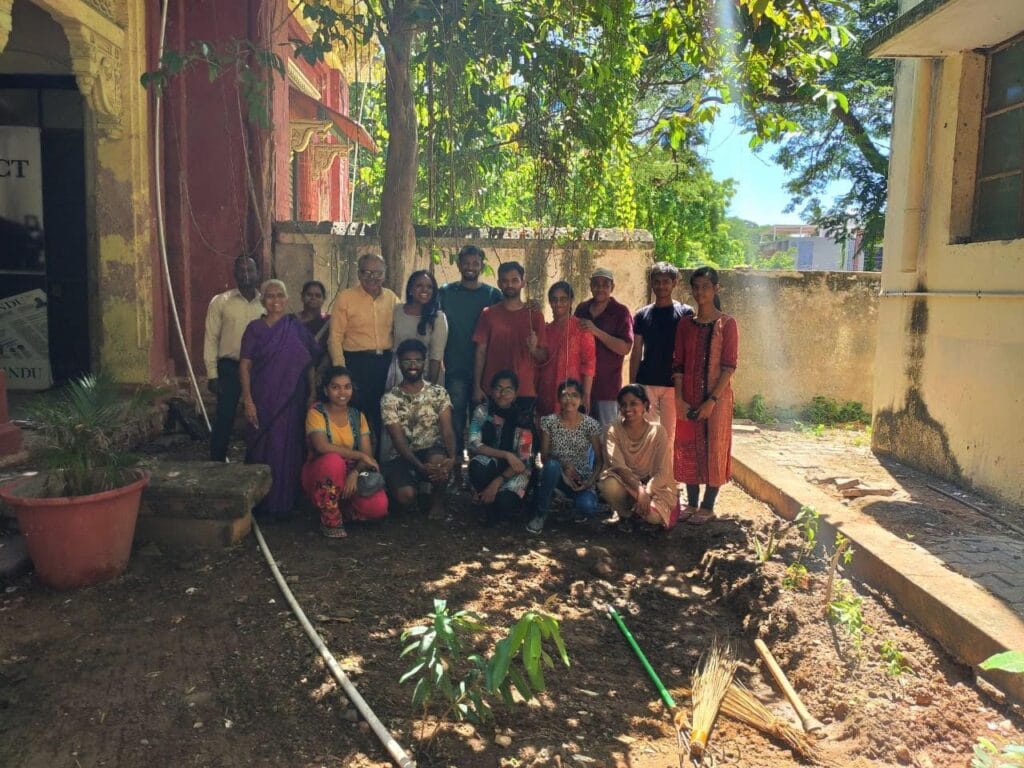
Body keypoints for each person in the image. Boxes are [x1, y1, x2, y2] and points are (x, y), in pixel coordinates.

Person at [239, 279, 319, 521]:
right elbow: (244, 366)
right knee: (263, 446)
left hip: (292, 399)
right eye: (270, 296)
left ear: (287, 299)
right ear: (263, 301)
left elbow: (309, 364)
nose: (275, 300)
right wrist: (248, 400)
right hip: (263, 398)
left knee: (289, 448)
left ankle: (285, 502)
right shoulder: (254, 329)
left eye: (280, 295)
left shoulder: (294, 327)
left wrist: (313, 393)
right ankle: (261, 502)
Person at [672, 266, 738, 524]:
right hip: (687, 397)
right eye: (696, 287)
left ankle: (708, 506)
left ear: (716, 289)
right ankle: (692, 502)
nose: (701, 292)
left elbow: (729, 366)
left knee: (714, 447)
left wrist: (712, 400)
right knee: (688, 447)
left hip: (717, 400)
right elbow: (677, 364)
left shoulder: (727, 324)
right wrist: (678, 398)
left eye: (706, 287)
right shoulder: (686, 324)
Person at [438, 246, 502, 478]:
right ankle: (454, 471)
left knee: (480, 424)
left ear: (482, 265)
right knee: (454, 423)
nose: (471, 267)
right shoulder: (445, 292)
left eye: (475, 263)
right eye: (466, 263)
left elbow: (510, 314)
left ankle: (477, 472)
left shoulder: (493, 295)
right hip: (454, 368)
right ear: (458, 264)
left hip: (485, 373)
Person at [301, 366, 388, 538]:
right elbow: (322, 447)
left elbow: (367, 454)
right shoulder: (316, 412)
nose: (342, 392)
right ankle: (329, 517)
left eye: (347, 387)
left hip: (349, 474)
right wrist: (361, 456)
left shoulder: (357, 416)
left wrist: (355, 472)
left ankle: (344, 509)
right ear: (326, 390)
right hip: (321, 471)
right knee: (333, 461)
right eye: (335, 387)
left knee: (378, 508)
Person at [328, 253, 400, 450]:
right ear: (359, 274)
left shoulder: (392, 298)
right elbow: (335, 337)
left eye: (377, 273)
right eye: (367, 272)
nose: (372, 277)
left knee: (382, 413)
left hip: (384, 364)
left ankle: (379, 464)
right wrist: (340, 371)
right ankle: (356, 464)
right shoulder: (346, 298)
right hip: (355, 364)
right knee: (356, 414)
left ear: (384, 275)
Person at [380, 339, 458, 519]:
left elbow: (447, 431)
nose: (413, 365)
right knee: (406, 497)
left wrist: (452, 458)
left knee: (439, 462)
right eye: (407, 361)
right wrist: (419, 466)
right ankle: (412, 489)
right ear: (399, 364)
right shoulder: (390, 398)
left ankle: (437, 502)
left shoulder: (439, 392)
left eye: (418, 360)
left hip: (431, 450)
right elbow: (398, 440)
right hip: (401, 456)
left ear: (424, 362)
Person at [204, 255, 264, 461]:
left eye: (250, 270)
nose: (246, 274)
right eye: (241, 270)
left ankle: (254, 461)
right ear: (235, 273)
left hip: (258, 369)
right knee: (225, 417)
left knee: (257, 416)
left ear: (258, 274)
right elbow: (211, 338)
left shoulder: (266, 304)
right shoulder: (221, 302)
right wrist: (212, 374)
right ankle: (216, 463)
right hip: (229, 367)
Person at [598, 384, 681, 532]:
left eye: (633, 403)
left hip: (655, 487)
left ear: (646, 405)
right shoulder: (613, 430)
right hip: (626, 484)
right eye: (623, 405)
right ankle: (626, 516)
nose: (628, 409)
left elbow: (664, 471)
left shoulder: (658, 432)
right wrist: (639, 491)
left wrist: (646, 492)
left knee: (653, 517)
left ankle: (641, 513)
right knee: (608, 484)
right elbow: (619, 467)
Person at [527, 379, 604, 534]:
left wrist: (589, 482)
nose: (569, 399)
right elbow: (544, 457)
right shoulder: (549, 422)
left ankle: (575, 509)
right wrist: (563, 464)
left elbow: (599, 461)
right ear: (559, 399)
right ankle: (541, 514)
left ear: (581, 399)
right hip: (557, 476)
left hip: (579, 479)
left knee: (588, 506)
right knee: (552, 466)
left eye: (574, 395)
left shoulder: (590, 425)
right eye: (565, 395)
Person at [630, 262, 693, 446]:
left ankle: (666, 473)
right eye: (656, 281)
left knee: (669, 435)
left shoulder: (685, 313)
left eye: (665, 281)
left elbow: (690, 350)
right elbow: (636, 352)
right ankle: (644, 472)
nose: (661, 286)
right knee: (643, 432)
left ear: (674, 283)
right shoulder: (642, 315)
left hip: (674, 384)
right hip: (647, 381)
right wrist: (633, 386)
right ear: (651, 283)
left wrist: (687, 384)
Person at [472, 261, 547, 415]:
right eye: (505, 281)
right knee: (492, 438)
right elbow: (480, 353)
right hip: (493, 390)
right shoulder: (488, 314)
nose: (510, 285)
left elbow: (543, 356)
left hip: (524, 391)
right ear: (499, 283)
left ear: (523, 283)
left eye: (514, 280)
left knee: (523, 438)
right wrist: (476, 386)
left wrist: (533, 350)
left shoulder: (535, 316)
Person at [468, 370, 534, 523]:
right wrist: (506, 454)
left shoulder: (523, 418)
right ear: (491, 390)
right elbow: (474, 444)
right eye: (498, 388)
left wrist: (497, 482)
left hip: (516, 471)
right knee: (477, 465)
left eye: (508, 390)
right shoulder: (482, 411)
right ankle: (486, 501)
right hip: (492, 463)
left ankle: (494, 501)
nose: (502, 394)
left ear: (515, 394)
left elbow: (522, 461)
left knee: (505, 502)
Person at [574, 267, 633, 427]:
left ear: (612, 287)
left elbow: (625, 348)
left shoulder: (620, 312)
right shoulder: (582, 309)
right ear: (590, 286)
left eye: (605, 285)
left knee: (607, 437)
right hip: (580, 386)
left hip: (607, 388)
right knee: (582, 435)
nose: (600, 288)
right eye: (596, 284)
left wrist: (596, 331)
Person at [535, 282, 595, 418]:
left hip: (572, 393)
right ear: (550, 302)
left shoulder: (582, 329)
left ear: (571, 300)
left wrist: (586, 395)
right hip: (547, 393)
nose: (558, 303)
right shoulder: (545, 330)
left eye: (563, 299)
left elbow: (589, 364)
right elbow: (540, 363)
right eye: (554, 300)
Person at [387, 270, 449, 387]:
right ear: (410, 289)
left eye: (429, 287)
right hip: (398, 374)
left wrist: (430, 388)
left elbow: (436, 356)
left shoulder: (438, 318)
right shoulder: (397, 311)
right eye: (419, 286)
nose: (424, 290)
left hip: (425, 376)